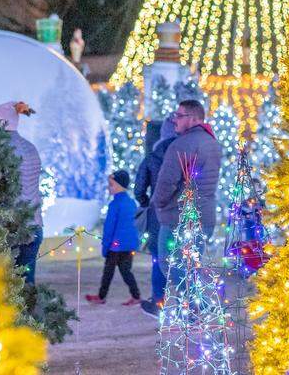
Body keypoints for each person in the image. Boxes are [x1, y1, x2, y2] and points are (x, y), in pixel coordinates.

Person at [150, 99, 220, 296]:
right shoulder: (212, 142)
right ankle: (193, 314)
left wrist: (159, 204)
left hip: (178, 217)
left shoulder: (181, 145)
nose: (176, 121)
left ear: (193, 118)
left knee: (169, 265)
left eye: (179, 116)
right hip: (204, 217)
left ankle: (200, 306)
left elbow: (167, 182)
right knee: (190, 266)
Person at [0, 100, 42, 285]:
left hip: (12, 228)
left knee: (5, 287)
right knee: (26, 286)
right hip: (34, 225)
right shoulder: (30, 148)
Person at [134, 111, 177, 316]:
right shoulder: (185, 153)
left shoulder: (152, 157)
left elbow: (139, 187)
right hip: (181, 213)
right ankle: (185, 304)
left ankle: (159, 301)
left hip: (156, 214)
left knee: (158, 257)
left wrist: (145, 202)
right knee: (180, 257)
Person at [85, 170, 142, 306]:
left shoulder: (114, 205)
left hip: (115, 246)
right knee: (126, 271)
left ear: (120, 186)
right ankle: (136, 295)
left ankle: (101, 296)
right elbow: (135, 225)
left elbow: (109, 229)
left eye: (111, 185)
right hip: (128, 245)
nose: (108, 187)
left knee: (108, 272)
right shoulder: (132, 203)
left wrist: (106, 247)